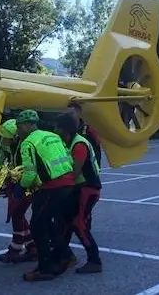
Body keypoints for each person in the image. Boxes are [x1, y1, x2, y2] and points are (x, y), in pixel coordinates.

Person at [15, 109, 76, 282]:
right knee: (49, 223)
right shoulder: (52, 136)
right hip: (68, 183)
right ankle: (66, 255)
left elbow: (30, 174)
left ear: (27, 125)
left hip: (51, 187)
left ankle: (45, 269)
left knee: (37, 226)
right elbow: (69, 159)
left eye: (19, 127)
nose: (18, 130)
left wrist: (20, 187)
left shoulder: (28, 143)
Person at [54, 113, 103, 274]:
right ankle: (64, 256)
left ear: (64, 129)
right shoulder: (68, 142)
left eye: (57, 127)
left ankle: (94, 261)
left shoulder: (79, 144)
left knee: (78, 224)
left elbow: (74, 173)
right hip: (78, 188)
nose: (55, 130)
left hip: (87, 188)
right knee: (64, 220)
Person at [0, 119, 38, 264]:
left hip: (27, 183)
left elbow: (30, 170)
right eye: (3, 137)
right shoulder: (3, 145)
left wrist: (21, 187)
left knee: (17, 213)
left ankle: (16, 248)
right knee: (18, 214)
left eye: (6, 137)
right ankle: (32, 246)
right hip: (16, 181)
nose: (3, 140)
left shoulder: (24, 146)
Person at [67, 101, 104, 168]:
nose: (70, 117)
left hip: (88, 170)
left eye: (72, 113)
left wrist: (97, 167)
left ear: (79, 113)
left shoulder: (89, 130)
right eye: (68, 114)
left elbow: (97, 151)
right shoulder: (66, 131)